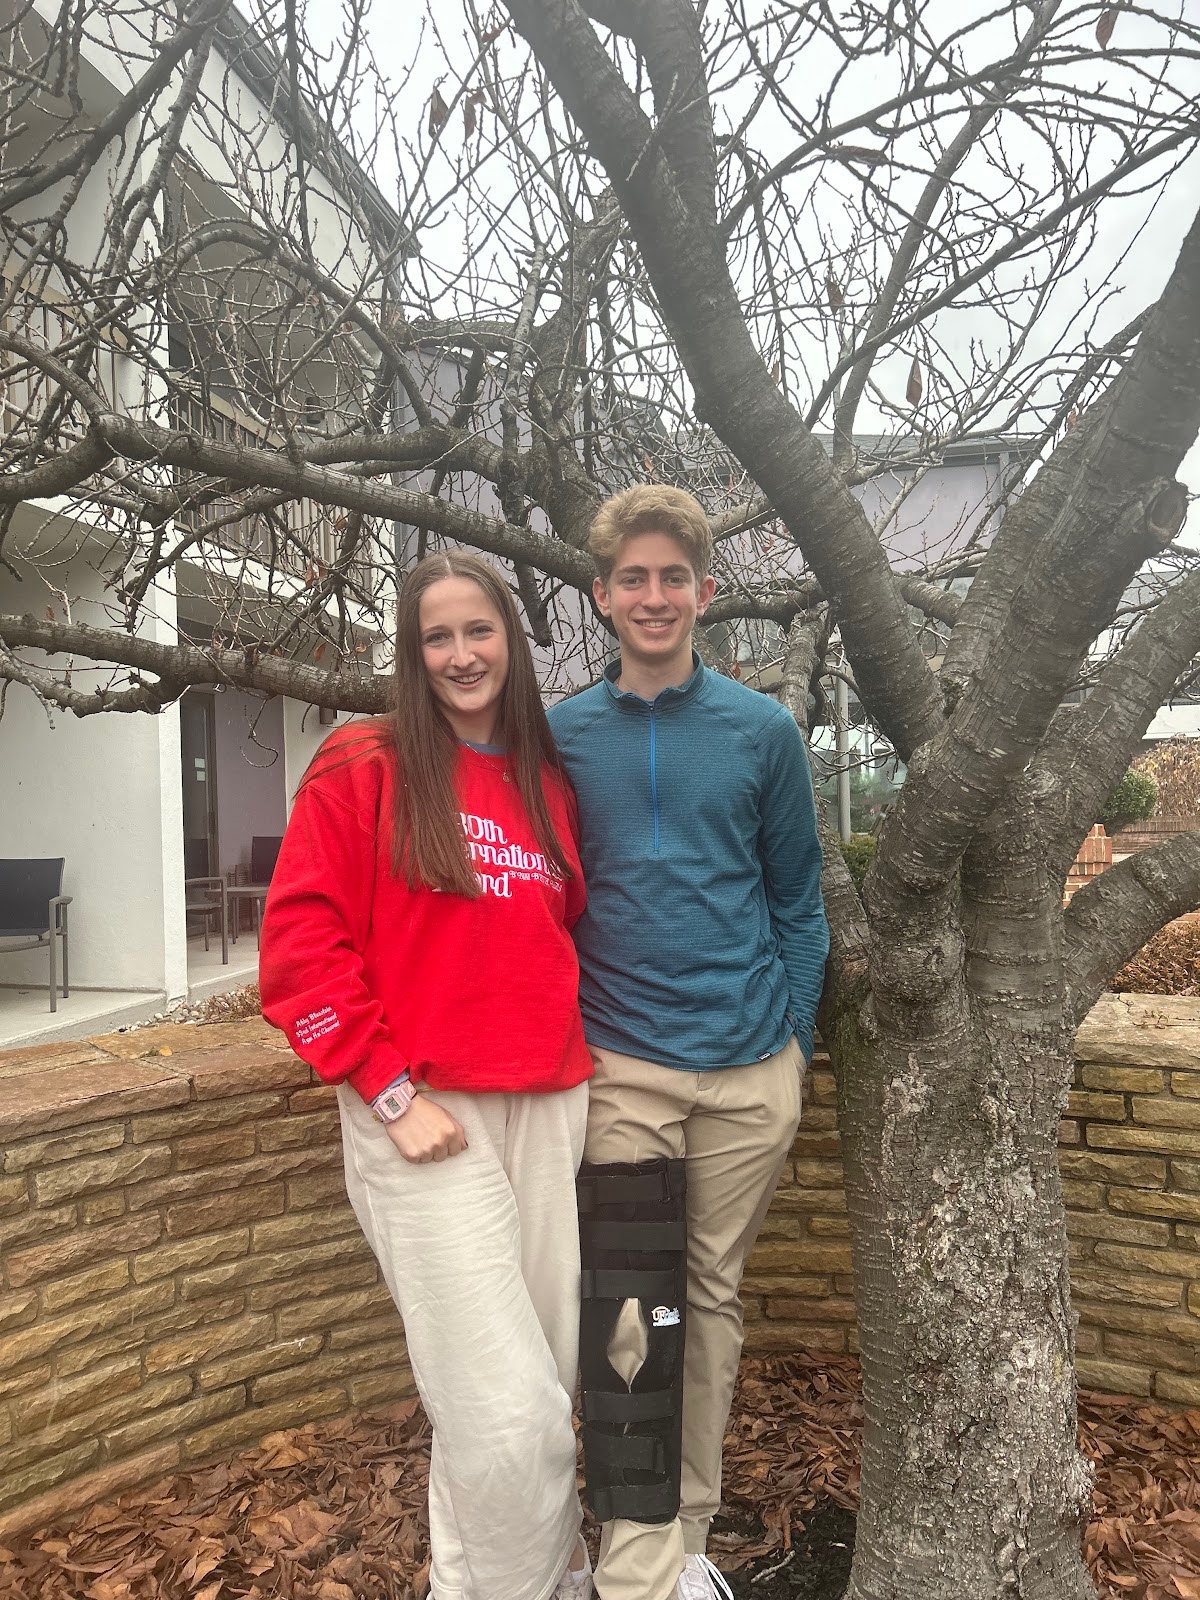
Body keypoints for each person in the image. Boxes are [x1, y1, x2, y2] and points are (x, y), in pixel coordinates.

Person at [259, 551, 595, 1600]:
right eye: (435, 637)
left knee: (536, 1387)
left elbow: (555, 938)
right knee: (508, 1415)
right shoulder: (363, 761)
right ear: (411, 654)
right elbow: (298, 944)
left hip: (548, 1104)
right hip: (424, 1113)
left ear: (512, 640)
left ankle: (530, 1579)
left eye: (478, 631)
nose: (460, 655)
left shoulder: (544, 780)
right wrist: (386, 1087)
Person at [547, 486, 829, 1600]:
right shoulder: (560, 735)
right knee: (627, 1301)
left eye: (675, 577)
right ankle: (631, 1552)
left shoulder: (760, 730)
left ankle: (685, 1541)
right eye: (634, 578)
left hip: (751, 1069)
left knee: (707, 1300)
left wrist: (797, 1045)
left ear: (704, 593)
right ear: (604, 596)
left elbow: (798, 903)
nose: (654, 596)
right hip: (624, 1065)